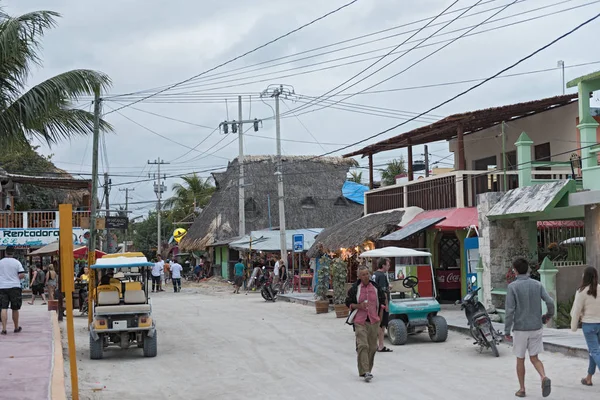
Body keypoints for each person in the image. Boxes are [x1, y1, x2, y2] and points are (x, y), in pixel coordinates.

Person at [504, 257, 554, 398]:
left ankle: (522, 389)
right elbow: (550, 301)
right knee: (534, 358)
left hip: (520, 329)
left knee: (520, 359)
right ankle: (544, 377)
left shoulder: (512, 287)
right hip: (536, 327)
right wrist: (548, 315)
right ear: (528, 269)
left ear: (515, 271)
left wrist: (507, 330)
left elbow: (509, 311)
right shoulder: (537, 285)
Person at [345, 266, 386, 382]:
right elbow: (348, 303)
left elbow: (382, 302)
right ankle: (365, 371)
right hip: (360, 320)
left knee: (373, 347)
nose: (366, 276)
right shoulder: (355, 289)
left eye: (367, 274)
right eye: (363, 274)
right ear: (359, 276)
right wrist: (359, 306)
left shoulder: (376, 287)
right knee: (363, 345)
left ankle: (367, 370)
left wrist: (380, 320)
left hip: (373, 320)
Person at [570, 266, 600, 387]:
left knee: (595, 351)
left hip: (589, 326)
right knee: (593, 351)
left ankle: (589, 377)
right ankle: (588, 378)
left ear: (584, 277)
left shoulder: (581, 291)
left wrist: (573, 327)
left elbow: (576, 310)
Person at [0, 246, 25, 334]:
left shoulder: (1, 262)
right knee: (15, 308)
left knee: (3, 307)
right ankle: (16, 327)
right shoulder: (17, 262)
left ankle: (4, 329)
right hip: (15, 287)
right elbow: (21, 275)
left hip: (2, 287)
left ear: (5, 252)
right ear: (13, 253)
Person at [372, 258, 392, 353]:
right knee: (382, 324)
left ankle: (375, 344)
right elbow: (383, 291)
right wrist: (386, 304)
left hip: (374, 302)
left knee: (376, 323)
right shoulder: (382, 276)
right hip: (381, 303)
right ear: (383, 265)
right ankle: (381, 345)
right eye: (388, 265)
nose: (389, 267)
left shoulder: (374, 275)